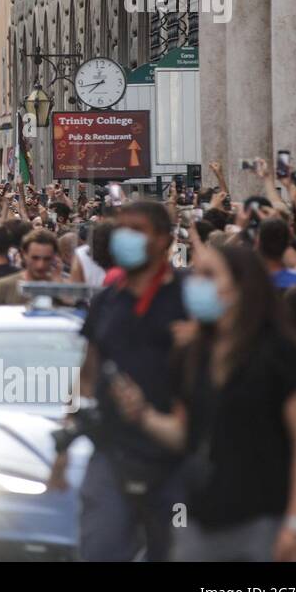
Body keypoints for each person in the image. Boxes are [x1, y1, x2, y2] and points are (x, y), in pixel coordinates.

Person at [110, 244, 296, 561]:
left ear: (241, 285)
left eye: (209, 275)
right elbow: (185, 433)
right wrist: (143, 415)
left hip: (266, 518)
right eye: (196, 274)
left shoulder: (277, 354)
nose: (197, 284)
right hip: (201, 518)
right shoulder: (190, 356)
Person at [51, 200, 188, 561]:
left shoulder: (189, 297)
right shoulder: (107, 302)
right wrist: (63, 444)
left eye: (137, 230)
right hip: (113, 452)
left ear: (164, 239)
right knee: (100, 547)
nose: (126, 238)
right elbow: (86, 375)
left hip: (175, 459)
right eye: (122, 229)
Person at [0, 229, 60, 305]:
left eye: (47, 259)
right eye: (35, 258)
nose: (40, 265)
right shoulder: (3, 288)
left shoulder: (61, 288)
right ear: (24, 254)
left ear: (54, 257)